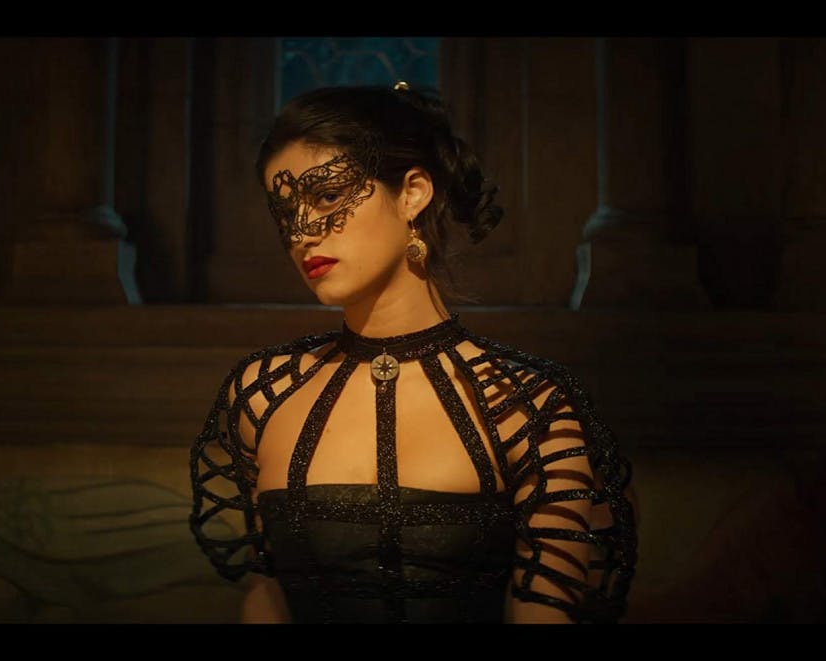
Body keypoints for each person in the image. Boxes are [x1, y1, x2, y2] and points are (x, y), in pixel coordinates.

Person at [189, 83, 637, 624]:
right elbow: (267, 596)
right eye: (284, 213)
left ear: (413, 193)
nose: (301, 233)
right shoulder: (265, 394)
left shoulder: (529, 407)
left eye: (326, 196)